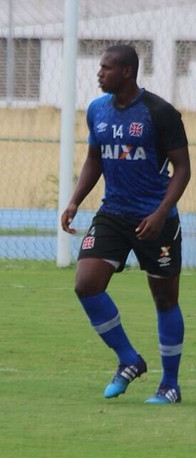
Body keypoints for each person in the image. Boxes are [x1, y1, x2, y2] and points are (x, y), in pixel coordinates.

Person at [61, 45, 191, 404]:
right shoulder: (97, 110)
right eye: (99, 67)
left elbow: (183, 169)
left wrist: (162, 212)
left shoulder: (159, 113)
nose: (98, 73)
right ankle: (129, 359)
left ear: (127, 73)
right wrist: (74, 200)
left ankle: (169, 385)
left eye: (105, 68)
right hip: (113, 213)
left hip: (155, 218)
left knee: (164, 299)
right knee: (86, 284)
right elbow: (94, 159)